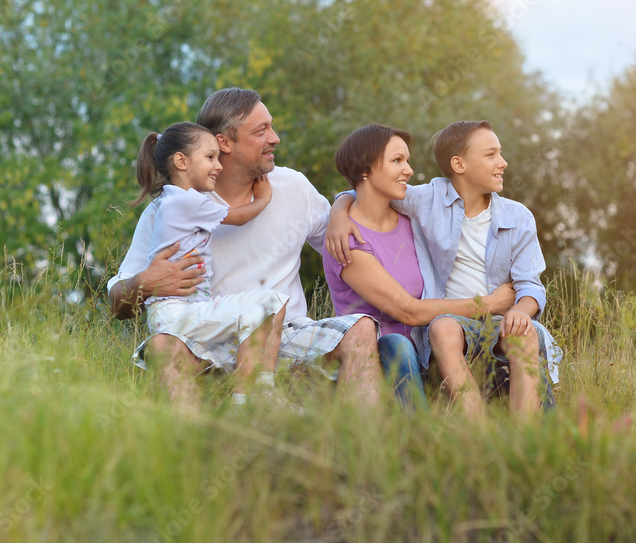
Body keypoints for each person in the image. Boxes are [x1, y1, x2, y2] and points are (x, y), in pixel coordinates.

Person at [108, 88, 383, 408]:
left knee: (361, 329)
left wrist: (342, 204)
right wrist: (144, 283)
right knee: (162, 346)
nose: (275, 138)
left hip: (289, 336)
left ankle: (364, 449)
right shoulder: (167, 210)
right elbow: (117, 301)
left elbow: (351, 251)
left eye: (271, 126)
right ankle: (189, 450)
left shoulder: (293, 186)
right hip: (211, 342)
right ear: (224, 142)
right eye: (261, 130)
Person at [328, 120, 561, 420]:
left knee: (524, 333)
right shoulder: (429, 199)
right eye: (490, 155)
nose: (502, 163)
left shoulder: (518, 217)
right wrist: (339, 211)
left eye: (499, 154)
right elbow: (366, 189)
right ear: (458, 164)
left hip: (502, 322)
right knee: (442, 327)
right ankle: (475, 426)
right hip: (452, 323)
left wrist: (520, 311)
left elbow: (530, 285)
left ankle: (525, 435)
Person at [128, 121, 289, 407]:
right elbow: (238, 216)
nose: (219, 166)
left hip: (183, 310)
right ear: (181, 161)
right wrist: (263, 199)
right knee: (262, 309)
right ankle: (247, 401)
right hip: (174, 313)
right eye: (210, 157)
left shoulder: (176, 200)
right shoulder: (186, 201)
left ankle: (262, 388)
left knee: (272, 302)